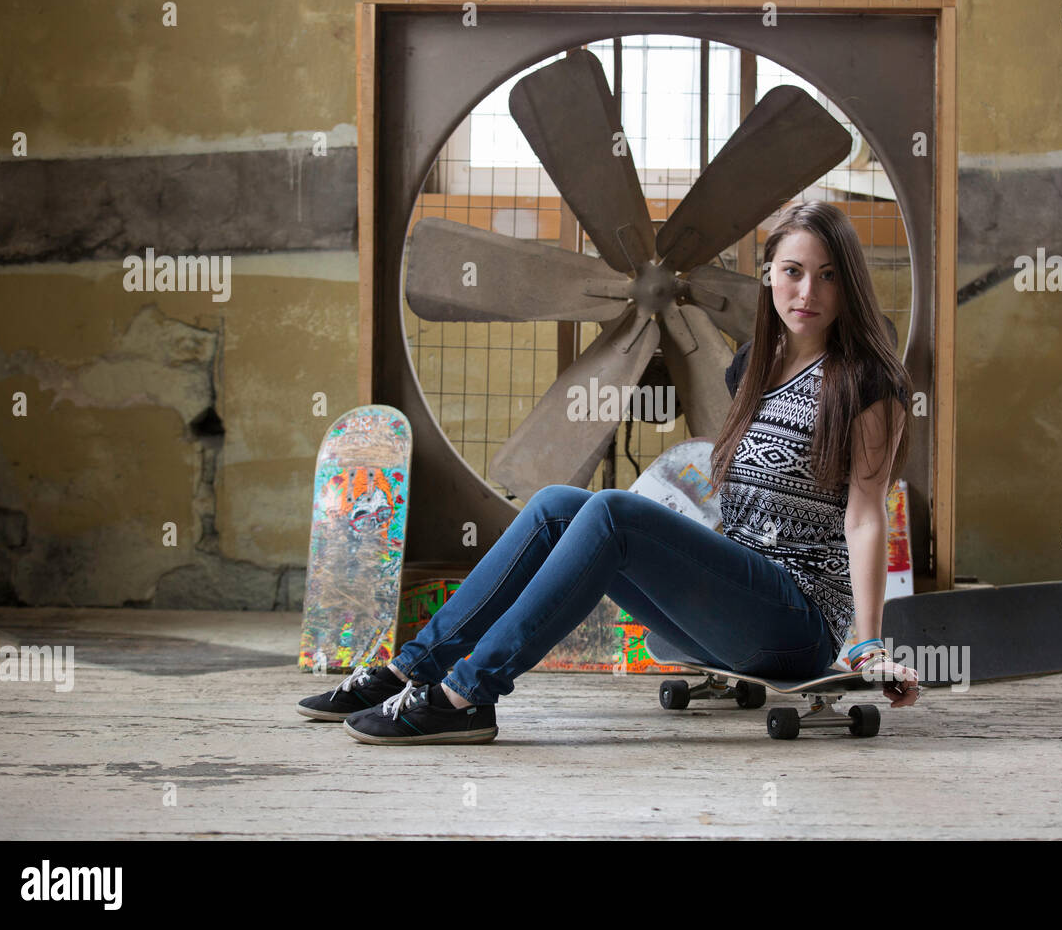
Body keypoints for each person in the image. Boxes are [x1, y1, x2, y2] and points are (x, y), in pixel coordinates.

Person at [296, 200, 920, 745]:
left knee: (612, 513)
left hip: (799, 622)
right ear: (769, 277)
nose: (807, 293)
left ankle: (464, 696)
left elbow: (866, 515)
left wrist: (866, 643)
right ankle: (413, 669)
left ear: (850, 287)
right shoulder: (755, 364)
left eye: (828, 276)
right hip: (734, 612)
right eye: (793, 272)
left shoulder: (866, 382)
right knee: (554, 505)